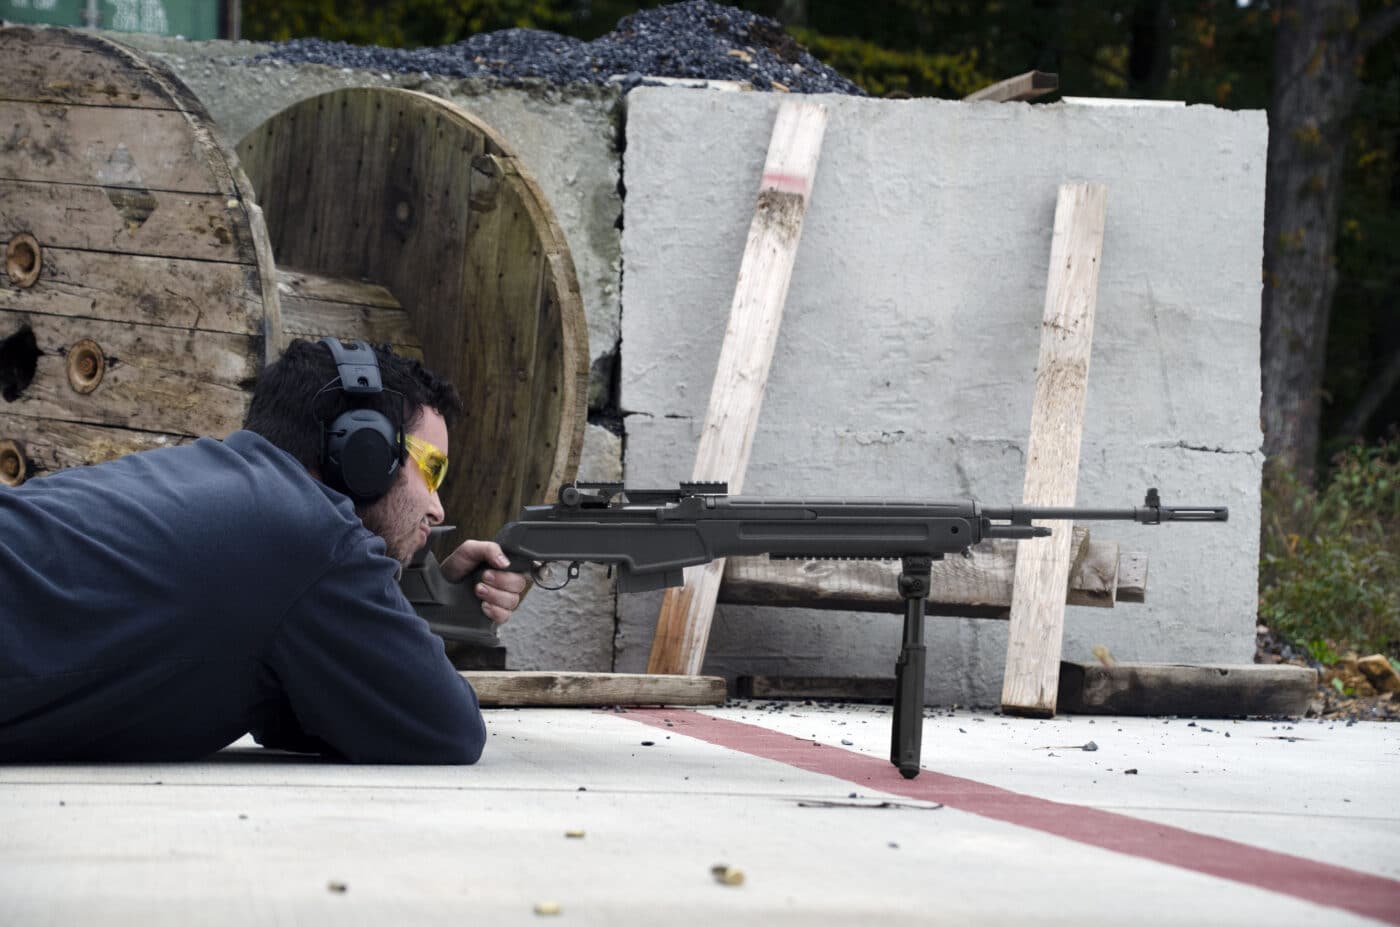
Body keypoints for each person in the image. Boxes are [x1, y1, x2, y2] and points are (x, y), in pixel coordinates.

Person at [0, 338, 529, 763]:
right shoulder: (312, 535)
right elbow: (447, 728)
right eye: (431, 470)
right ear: (364, 450)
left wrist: (418, 607)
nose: (436, 509)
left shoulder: (235, 493)